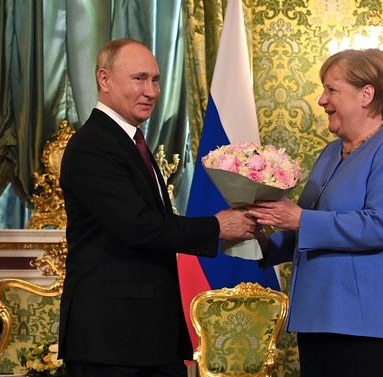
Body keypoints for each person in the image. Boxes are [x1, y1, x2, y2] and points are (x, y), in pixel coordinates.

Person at [58, 38, 258, 377]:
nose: (151, 91)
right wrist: (216, 226)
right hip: (112, 340)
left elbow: (153, 224)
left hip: (144, 337)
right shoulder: (93, 145)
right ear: (104, 80)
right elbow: (138, 225)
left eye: (155, 79)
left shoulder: (129, 140)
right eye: (139, 78)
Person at [248, 48, 383, 377]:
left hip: (377, 326)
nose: (321, 100)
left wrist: (298, 219)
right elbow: (305, 227)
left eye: (331, 89)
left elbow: (380, 225)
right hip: (322, 319)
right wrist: (261, 241)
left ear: (366, 95)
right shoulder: (332, 152)